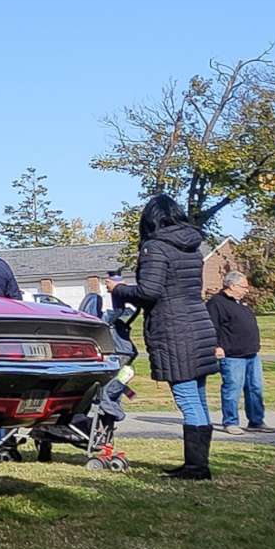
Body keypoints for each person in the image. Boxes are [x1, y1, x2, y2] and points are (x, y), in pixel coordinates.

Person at [112, 194, 221, 479]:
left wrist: (119, 289)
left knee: (187, 398)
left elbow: (149, 291)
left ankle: (197, 467)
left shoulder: (155, 247)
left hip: (175, 330)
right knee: (198, 397)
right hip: (199, 325)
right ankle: (198, 464)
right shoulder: (193, 247)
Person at [208, 272, 273, 435]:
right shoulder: (216, 303)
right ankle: (230, 422)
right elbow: (211, 327)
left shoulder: (241, 303)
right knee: (232, 388)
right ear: (232, 286)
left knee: (255, 388)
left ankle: (256, 421)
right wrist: (216, 346)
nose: (247, 290)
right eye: (244, 287)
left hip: (251, 353)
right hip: (232, 355)